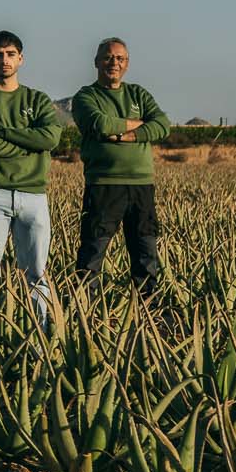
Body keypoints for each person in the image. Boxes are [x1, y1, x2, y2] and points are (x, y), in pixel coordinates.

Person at [0, 31, 61, 319]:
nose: (4, 60)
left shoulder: (37, 99)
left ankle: (41, 331)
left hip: (34, 195)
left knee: (37, 272)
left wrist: (3, 133)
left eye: (10, 54)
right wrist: (27, 144)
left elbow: (49, 139)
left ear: (21, 58)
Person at [71, 37, 170, 296]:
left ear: (127, 64)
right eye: (108, 57)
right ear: (96, 62)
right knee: (93, 250)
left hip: (141, 185)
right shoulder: (86, 96)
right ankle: (85, 309)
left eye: (120, 58)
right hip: (104, 184)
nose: (114, 62)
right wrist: (140, 124)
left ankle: (150, 312)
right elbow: (100, 124)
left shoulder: (138, 93)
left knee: (145, 251)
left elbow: (162, 125)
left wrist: (124, 133)